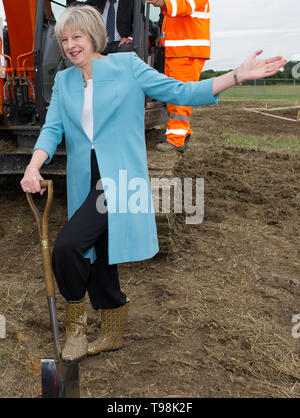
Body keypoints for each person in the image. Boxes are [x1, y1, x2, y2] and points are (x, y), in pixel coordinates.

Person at [20, 4, 286, 363]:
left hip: (119, 183)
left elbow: (181, 92)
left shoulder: (127, 66)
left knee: (67, 248)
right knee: (97, 256)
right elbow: (52, 129)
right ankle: (112, 333)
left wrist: (235, 75)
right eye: (64, 39)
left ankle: (77, 328)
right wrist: (34, 166)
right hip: (85, 181)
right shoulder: (64, 81)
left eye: (77, 37)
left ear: (94, 36)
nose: (70, 45)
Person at [146, 0, 211, 152]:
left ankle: (176, 140)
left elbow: (181, 7)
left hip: (187, 53)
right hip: (177, 52)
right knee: (175, 97)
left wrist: (161, 2)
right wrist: (162, 38)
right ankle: (182, 134)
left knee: (179, 97)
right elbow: (175, 19)